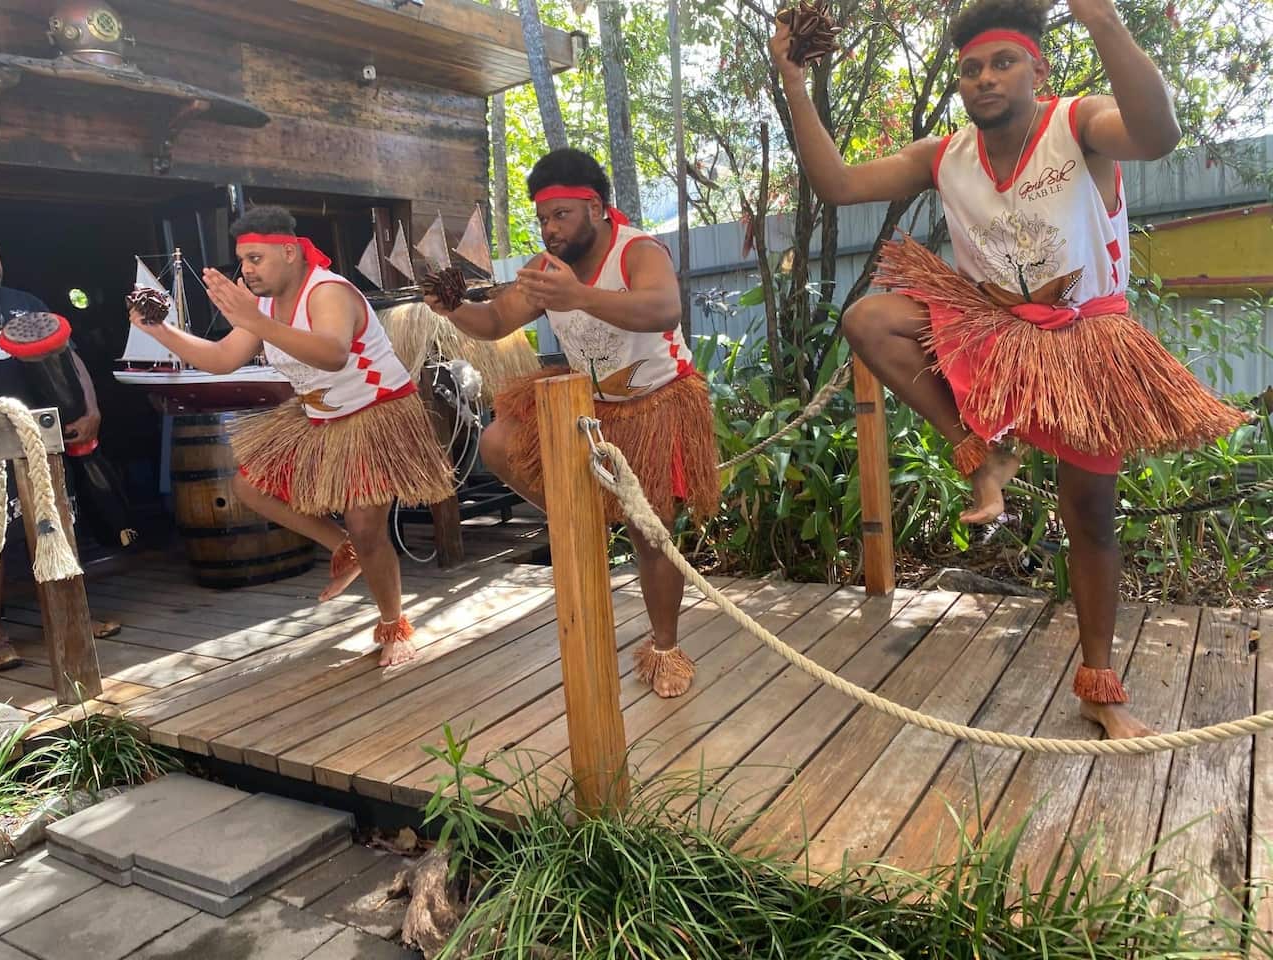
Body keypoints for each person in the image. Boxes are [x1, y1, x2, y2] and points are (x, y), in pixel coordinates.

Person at [772, 0, 1247, 737]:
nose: (984, 78)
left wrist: (1103, 21)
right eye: (971, 69)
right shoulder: (944, 155)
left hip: (1086, 345)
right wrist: (795, 84)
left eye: (1002, 63)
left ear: (1037, 68)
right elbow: (837, 186)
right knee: (870, 317)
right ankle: (984, 446)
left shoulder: (1079, 123)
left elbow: (1158, 134)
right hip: (989, 336)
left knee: (1089, 514)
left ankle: (1099, 686)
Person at [427, 149, 719, 698]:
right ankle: (583, 513)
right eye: (542, 218)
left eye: (560, 215)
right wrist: (451, 308)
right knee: (497, 441)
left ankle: (665, 646)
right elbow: (493, 321)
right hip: (591, 407)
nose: (549, 228)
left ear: (596, 209)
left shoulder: (638, 250)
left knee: (650, 534)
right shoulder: (543, 270)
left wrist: (578, 295)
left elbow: (663, 308)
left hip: (656, 403)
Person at [128, 206, 455, 667]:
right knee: (248, 486)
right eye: (242, 261)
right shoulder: (261, 306)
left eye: (256, 259)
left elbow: (333, 353)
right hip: (318, 417)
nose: (246, 270)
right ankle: (342, 547)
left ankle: (393, 624)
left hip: (376, 413)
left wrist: (256, 322)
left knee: (367, 527)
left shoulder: (328, 291)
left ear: (288, 251)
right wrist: (157, 330)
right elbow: (223, 358)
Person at [0, 240, 120, 671]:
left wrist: (92, 410)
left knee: (57, 527)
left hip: (40, 439)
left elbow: (70, 359)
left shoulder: (25, 305)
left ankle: (70, 617)